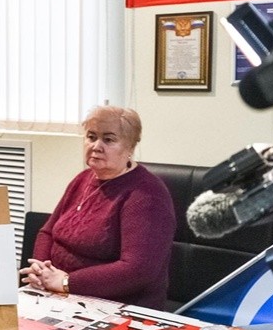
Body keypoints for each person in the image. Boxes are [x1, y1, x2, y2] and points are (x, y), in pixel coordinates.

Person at [21, 105, 175, 309]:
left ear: (130, 147)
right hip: (58, 295)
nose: (96, 146)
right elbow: (47, 232)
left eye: (109, 139)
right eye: (91, 137)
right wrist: (40, 270)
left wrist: (66, 282)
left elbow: (137, 270)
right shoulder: (83, 179)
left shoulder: (147, 194)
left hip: (117, 307)